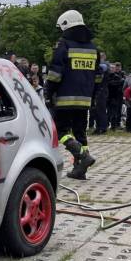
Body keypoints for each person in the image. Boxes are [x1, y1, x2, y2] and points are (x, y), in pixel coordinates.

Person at [44, 9, 98, 179]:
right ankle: (80, 170)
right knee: (80, 132)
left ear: (66, 25)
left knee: (61, 130)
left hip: (65, 98)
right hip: (85, 98)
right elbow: (97, 76)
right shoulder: (93, 47)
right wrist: (93, 96)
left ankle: (82, 156)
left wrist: (48, 92)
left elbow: (55, 72)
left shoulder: (64, 44)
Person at [90, 53, 109, 134]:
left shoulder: (104, 66)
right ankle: (100, 127)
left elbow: (103, 67)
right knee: (97, 110)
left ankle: (102, 127)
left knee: (100, 109)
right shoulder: (100, 66)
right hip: (98, 89)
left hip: (101, 89)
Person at [105, 62, 124, 131]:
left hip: (116, 96)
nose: (113, 69)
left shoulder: (118, 76)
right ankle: (107, 124)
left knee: (115, 112)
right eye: (111, 68)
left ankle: (114, 126)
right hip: (108, 96)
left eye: (113, 68)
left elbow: (121, 84)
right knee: (108, 111)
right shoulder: (106, 76)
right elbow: (107, 84)